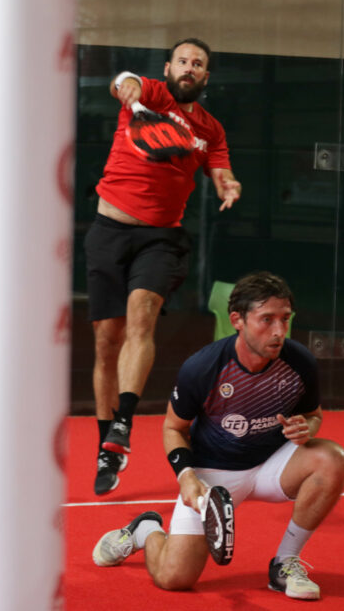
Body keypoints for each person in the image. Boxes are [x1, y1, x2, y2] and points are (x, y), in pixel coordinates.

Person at [91, 272, 344, 600]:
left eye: (285, 319)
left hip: (272, 465)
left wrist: (306, 429)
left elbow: (314, 416)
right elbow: (173, 428)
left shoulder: (299, 363)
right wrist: (186, 477)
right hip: (213, 476)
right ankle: (147, 530)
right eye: (266, 320)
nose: (279, 331)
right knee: (174, 578)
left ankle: (284, 563)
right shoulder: (203, 368)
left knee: (331, 459)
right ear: (236, 320)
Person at [86, 38, 242, 495]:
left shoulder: (211, 129)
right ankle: (107, 449)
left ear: (205, 76)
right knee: (105, 342)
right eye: (183, 61)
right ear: (169, 68)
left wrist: (228, 184)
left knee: (141, 319)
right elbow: (123, 82)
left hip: (161, 239)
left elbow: (220, 169)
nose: (189, 68)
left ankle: (124, 423)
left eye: (198, 64)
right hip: (108, 230)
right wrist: (127, 86)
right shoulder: (152, 95)